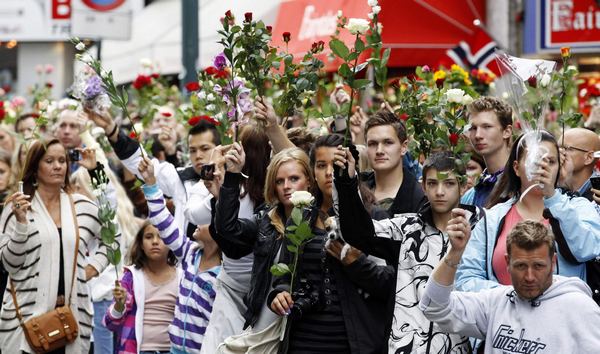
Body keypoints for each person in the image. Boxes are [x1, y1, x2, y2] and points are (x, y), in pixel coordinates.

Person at [333, 149, 477, 353]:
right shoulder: (407, 227)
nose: (440, 192)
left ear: (463, 186)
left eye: (449, 183)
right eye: (433, 183)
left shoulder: (481, 229)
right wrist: (347, 180)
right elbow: (359, 233)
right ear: (423, 186)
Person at [267, 136, 392, 353]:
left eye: (336, 164)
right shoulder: (301, 215)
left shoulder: (374, 217)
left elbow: (391, 284)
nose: (328, 172)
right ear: (312, 173)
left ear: (352, 167)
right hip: (303, 341)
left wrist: (355, 262)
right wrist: (280, 294)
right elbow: (284, 276)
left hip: (354, 343)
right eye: (321, 165)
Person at [0, 138, 113, 353]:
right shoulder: (16, 207)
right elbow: (10, 264)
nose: (58, 166)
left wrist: (92, 268)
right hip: (25, 320)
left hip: (71, 318)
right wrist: (21, 224)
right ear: (35, 167)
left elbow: (113, 236)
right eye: (49, 160)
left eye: (62, 160)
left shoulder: (82, 206)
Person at [420, 220, 600, 353]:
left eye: (538, 266)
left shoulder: (580, 308)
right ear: (507, 262)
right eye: (521, 266)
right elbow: (434, 306)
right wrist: (455, 253)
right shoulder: (495, 302)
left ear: (552, 262)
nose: (529, 277)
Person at [456, 131, 600, 293]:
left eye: (550, 161)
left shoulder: (579, 207)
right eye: (534, 161)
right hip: (505, 316)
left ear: (558, 168)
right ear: (516, 168)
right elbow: (466, 277)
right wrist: (514, 296)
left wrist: (553, 198)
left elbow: (585, 250)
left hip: (563, 316)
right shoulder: (492, 218)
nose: (542, 167)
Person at [189, 125, 271, 354]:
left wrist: (212, 167)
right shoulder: (274, 190)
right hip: (254, 291)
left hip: (252, 290)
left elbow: (193, 214)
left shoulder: (234, 189)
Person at [87, 108, 219, 238]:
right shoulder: (182, 179)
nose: (198, 155)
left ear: (219, 148)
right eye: (192, 150)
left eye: (205, 148)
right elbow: (140, 161)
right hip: (186, 256)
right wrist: (111, 129)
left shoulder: (234, 184)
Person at [138, 156, 222, 353]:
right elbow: (163, 222)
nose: (195, 223)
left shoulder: (225, 272)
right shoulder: (190, 252)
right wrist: (151, 184)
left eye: (203, 219)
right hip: (174, 348)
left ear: (219, 228)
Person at [104, 221, 181, 354]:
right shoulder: (131, 276)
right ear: (141, 244)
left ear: (172, 241)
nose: (155, 241)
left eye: (161, 236)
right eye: (149, 237)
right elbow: (110, 324)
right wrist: (119, 306)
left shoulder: (183, 277)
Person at [360, 110, 426, 217]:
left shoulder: (420, 197)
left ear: (403, 147)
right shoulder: (356, 190)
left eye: (388, 142)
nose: (379, 150)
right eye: (372, 144)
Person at [462, 97, 513, 207]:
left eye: (487, 127)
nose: (478, 135)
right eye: (473, 128)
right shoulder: (469, 196)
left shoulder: (521, 184)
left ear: (506, 132)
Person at [560, 127, 600, 200]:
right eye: (557, 148)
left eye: (566, 148)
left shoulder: (597, 192)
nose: (559, 153)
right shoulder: (552, 185)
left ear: (589, 158)